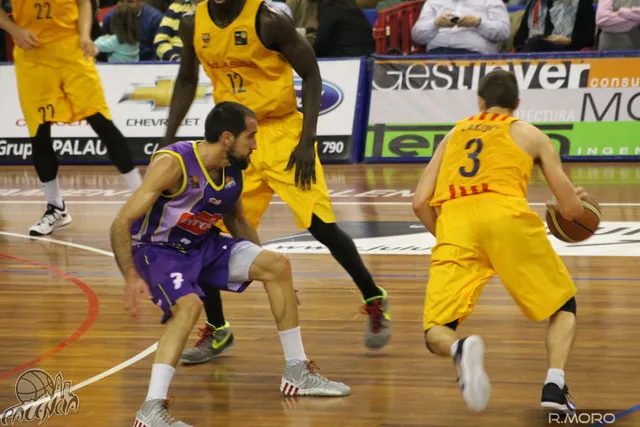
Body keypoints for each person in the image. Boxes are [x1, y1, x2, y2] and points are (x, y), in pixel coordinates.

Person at [162, 0, 391, 365]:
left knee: (321, 226)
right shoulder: (192, 24)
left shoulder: (268, 20)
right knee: (204, 232)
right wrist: (167, 138)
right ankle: (218, 328)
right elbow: (187, 79)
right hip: (234, 141)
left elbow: (312, 74)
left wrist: (307, 141)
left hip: (283, 132)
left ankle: (372, 296)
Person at [110, 102, 351, 427]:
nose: (255, 144)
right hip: (158, 249)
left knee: (278, 265)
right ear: (227, 137)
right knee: (189, 306)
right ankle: (151, 410)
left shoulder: (233, 168)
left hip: (202, 246)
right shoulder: (174, 163)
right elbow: (121, 222)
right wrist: (130, 276)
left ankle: (297, 372)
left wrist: (271, 272)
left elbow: (237, 221)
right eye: (250, 136)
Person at [412, 69, 584, 413]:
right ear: (516, 103)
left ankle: (458, 349)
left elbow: (419, 202)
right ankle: (554, 385)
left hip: (456, 223)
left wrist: (449, 237)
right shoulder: (531, 135)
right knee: (563, 306)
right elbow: (571, 209)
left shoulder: (453, 134)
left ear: (480, 102)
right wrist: (576, 203)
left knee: (436, 329)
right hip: (507, 218)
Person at [0, 0, 142, 236]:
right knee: (39, 132)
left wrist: (85, 35)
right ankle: (56, 207)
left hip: (71, 50)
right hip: (32, 56)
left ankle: (142, 201)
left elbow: (83, 2)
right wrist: (14, 29)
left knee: (101, 121)